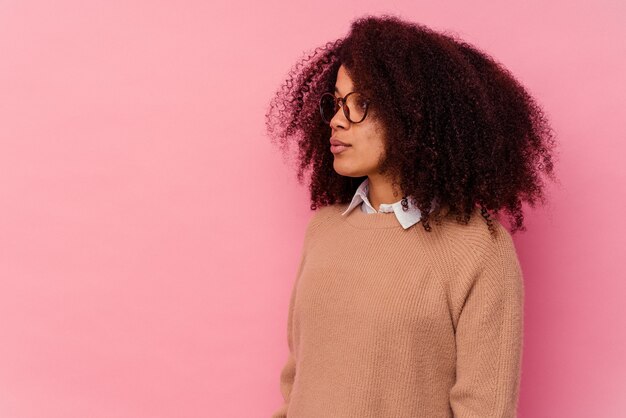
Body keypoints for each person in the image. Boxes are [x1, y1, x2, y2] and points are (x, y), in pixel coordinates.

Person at [265, 13, 557, 418]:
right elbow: (296, 384)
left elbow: (484, 409)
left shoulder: (478, 248)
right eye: (335, 103)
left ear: (412, 115)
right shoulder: (324, 230)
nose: (335, 120)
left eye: (360, 104)